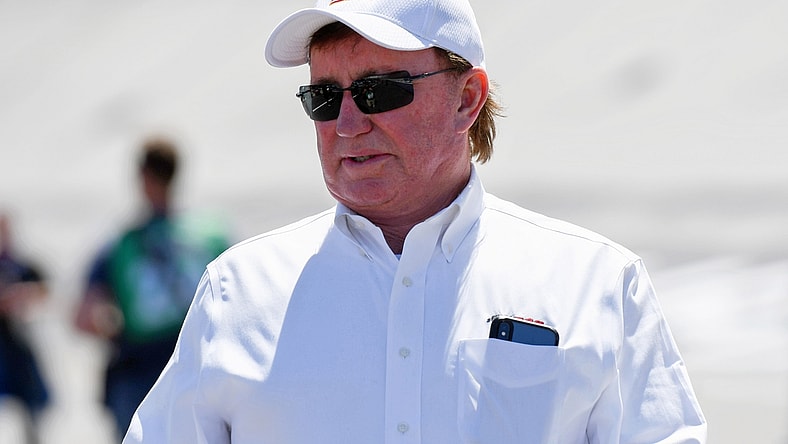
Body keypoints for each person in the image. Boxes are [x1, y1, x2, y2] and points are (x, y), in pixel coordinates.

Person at [124, 1, 707, 442]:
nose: (347, 123)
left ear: (466, 99)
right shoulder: (238, 291)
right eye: (323, 98)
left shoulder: (598, 283)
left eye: (379, 91)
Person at [74, 137, 229, 440]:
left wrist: (115, 327)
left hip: (139, 373)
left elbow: (83, 318)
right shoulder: (213, 234)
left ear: (143, 178)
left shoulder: (120, 244)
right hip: (202, 367)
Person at [0, 213, 49, 444]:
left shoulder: (21, 266)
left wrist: (21, 296)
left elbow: (44, 290)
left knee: (30, 422)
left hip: (19, 352)